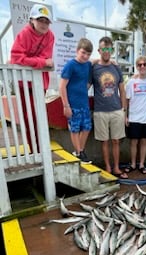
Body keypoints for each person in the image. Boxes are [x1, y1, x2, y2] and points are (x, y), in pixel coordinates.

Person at [10, 4, 55, 152]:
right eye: (40, 20)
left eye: (46, 21)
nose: (44, 24)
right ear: (32, 20)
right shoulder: (24, 34)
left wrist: (30, 60)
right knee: (28, 118)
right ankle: (34, 149)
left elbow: (46, 57)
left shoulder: (50, 36)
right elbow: (16, 58)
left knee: (40, 119)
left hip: (40, 84)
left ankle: (42, 148)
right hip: (24, 84)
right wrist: (40, 62)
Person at [91, 36, 128, 178]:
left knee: (116, 141)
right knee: (104, 142)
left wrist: (124, 111)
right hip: (100, 111)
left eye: (109, 49)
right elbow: (87, 83)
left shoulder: (116, 68)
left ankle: (117, 167)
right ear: (99, 50)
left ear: (112, 50)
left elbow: (122, 90)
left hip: (116, 110)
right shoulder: (94, 68)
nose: (106, 52)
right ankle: (107, 167)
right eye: (103, 49)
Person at [59, 38, 93, 164]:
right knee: (75, 129)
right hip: (72, 104)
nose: (85, 56)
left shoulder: (88, 64)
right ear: (77, 51)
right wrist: (66, 106)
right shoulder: (70, 65)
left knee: (87, 127)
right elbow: (62, 86)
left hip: (84, 103)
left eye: (88, 54)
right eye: (83, 52)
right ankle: (79, 152)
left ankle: (80, 150)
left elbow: (94, 61)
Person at [124, 56, 146, 174]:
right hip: (134, 118)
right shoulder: (131, 82)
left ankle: (141, 164)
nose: (142, 66)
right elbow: (126, 100)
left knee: (144, 142)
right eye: (140, 65)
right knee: (133, 142)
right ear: (136, 67)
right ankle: (132, 164)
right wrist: (125, 116)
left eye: (145, 64)